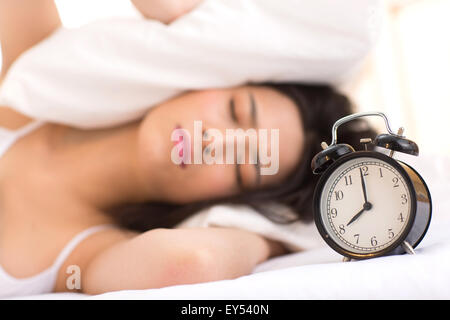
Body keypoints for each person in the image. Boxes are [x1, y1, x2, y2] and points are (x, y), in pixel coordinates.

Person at [0, 0, 375, 297]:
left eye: (242, 167)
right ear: (207, 77)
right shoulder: (28, 58)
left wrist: (276, 239)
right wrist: (176, 12)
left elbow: (193, 262)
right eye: (235, 112)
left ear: (230, 204)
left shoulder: (86, 255)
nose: (215, 142)